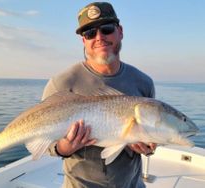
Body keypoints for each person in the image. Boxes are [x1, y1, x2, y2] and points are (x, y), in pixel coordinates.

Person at [42, 2, 156, 188]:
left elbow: (151, 136)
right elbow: (43, 141)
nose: (99, 37)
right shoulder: (61, 84)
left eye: (107, 29)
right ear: (83, 41)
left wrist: (150, 146)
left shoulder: (143, 82)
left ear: (120, 31)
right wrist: (64, 148)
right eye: (89, 33)